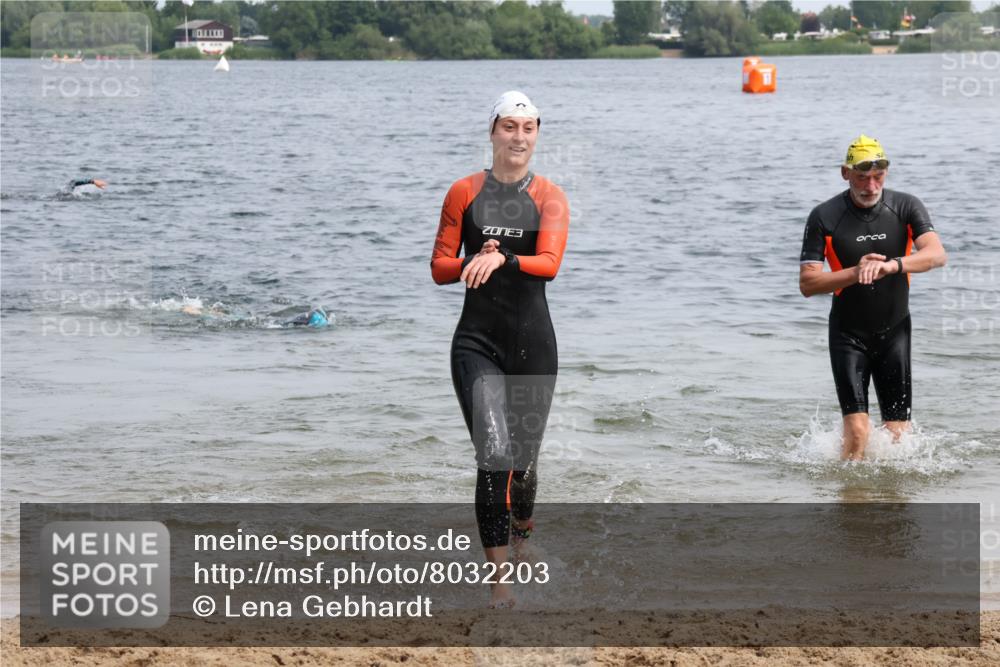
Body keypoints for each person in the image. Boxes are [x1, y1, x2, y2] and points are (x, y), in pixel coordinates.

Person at [430, 91, 569, 608]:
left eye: (529, 128)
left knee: (523, 465)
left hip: (534, 343)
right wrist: (473, 257)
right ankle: (500, 585)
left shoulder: (551, 196)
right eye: (509, 126)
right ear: (492, 131)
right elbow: (439, 268)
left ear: (537, 134)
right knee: (494, 456)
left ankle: (524, 537)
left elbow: (550, 262)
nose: (519, 137)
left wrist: (506, 257)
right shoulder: (463, 192)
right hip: (476, 342)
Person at [799, 135, 947, 461]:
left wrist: (892, 266)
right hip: (848, 335)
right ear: (845, 173)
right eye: (862, 176)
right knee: (857, 432)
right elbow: (808, 283)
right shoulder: (825, 216)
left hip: (895, 331)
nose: (870, 184)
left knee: (898, 435)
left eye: (878, 175)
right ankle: (850, 504)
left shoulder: (906, 206)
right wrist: (856, 272)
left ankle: (888, 506)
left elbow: (937, 255)